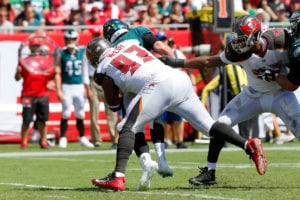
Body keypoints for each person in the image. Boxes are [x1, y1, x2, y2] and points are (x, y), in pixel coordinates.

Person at [86, 37, 267, 191]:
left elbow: (113, 104)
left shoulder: (102, 66)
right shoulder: (128, 43)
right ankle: (247, 145)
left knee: (126, 127)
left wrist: (116, 87)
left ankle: (118, 176)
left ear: (94, 57)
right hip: (178, 78)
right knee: (209, 126)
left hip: (157, 85)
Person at [160, 14, 300, 186]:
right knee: (221, 125)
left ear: (256, 35)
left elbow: (292, 82)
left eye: (242, 38)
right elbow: (209, 61)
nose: (237, 42)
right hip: (252, 95)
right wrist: (178, 62)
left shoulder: (281, 41)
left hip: (281, 95)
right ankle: (209, 172)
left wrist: (275, 75)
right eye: (237, 37)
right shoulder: (237, 51)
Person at [100, 19, 175, 190]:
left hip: (130, 89)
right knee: (156, 117)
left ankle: (146, 162)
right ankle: (162, 161)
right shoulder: (137, 32)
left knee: (133, 128)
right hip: (152, 81)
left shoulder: (110, 51)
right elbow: (161, 48)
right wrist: (176, 66)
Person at [54, 30, 94, 148]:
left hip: (79, 86)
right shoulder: (61, 53)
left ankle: (82, 137)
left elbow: (85, 72)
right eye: (68, 39)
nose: (70, 41)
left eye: (72, 39)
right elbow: (57, 72)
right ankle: (62, 137)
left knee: (80, 113)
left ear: (77, 39)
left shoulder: (82, 51)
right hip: (67, 86)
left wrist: (88, 89)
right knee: (65, 113)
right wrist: (58, 89)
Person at [15, 36, 55, 149]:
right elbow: (17, 78)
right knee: (26, 120)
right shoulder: (24, 61)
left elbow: (50, 76)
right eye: (34, 45)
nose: (35, 47)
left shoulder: (46, 60)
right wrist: (18, 73)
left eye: (37, 45)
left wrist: (51, 81)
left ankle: (43, 141)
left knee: (42, 120)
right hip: (28, 94)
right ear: (30, 47)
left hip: (42, 94)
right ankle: (24, 142)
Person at [84, 31, 119, 149]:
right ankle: (96, 139)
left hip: (106, 80)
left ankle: (115, 138)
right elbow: (84, 70)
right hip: (93, 81)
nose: (96, 38)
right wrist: (87, 87)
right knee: (94, 113)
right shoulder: (88, 51)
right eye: (95, 36)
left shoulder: (106, 50)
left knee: (111, 111)